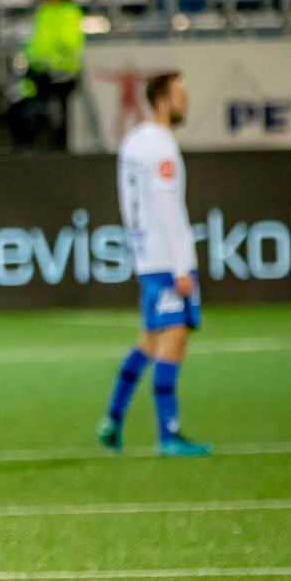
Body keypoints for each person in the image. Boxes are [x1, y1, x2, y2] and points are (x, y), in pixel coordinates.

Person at [98, 71, 211, 457]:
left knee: (148, 340)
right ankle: (169, 435)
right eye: (180, 95)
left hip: (146, 255)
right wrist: (182, 266)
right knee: (173, 341)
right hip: (167, 258)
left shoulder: (133, 141)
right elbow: (167, 207)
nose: (186, 102)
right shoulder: (161, 146)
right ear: (161, 99)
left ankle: (113, 419)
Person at [8, 0, 83, 152]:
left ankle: (59, 152)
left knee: (59, 116)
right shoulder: (43, 11)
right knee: (20, 110)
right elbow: (35, 42)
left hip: (60, 75)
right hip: (37, 72)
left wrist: (54, 63)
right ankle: (32, 149)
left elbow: (69, 43)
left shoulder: (69, 12)